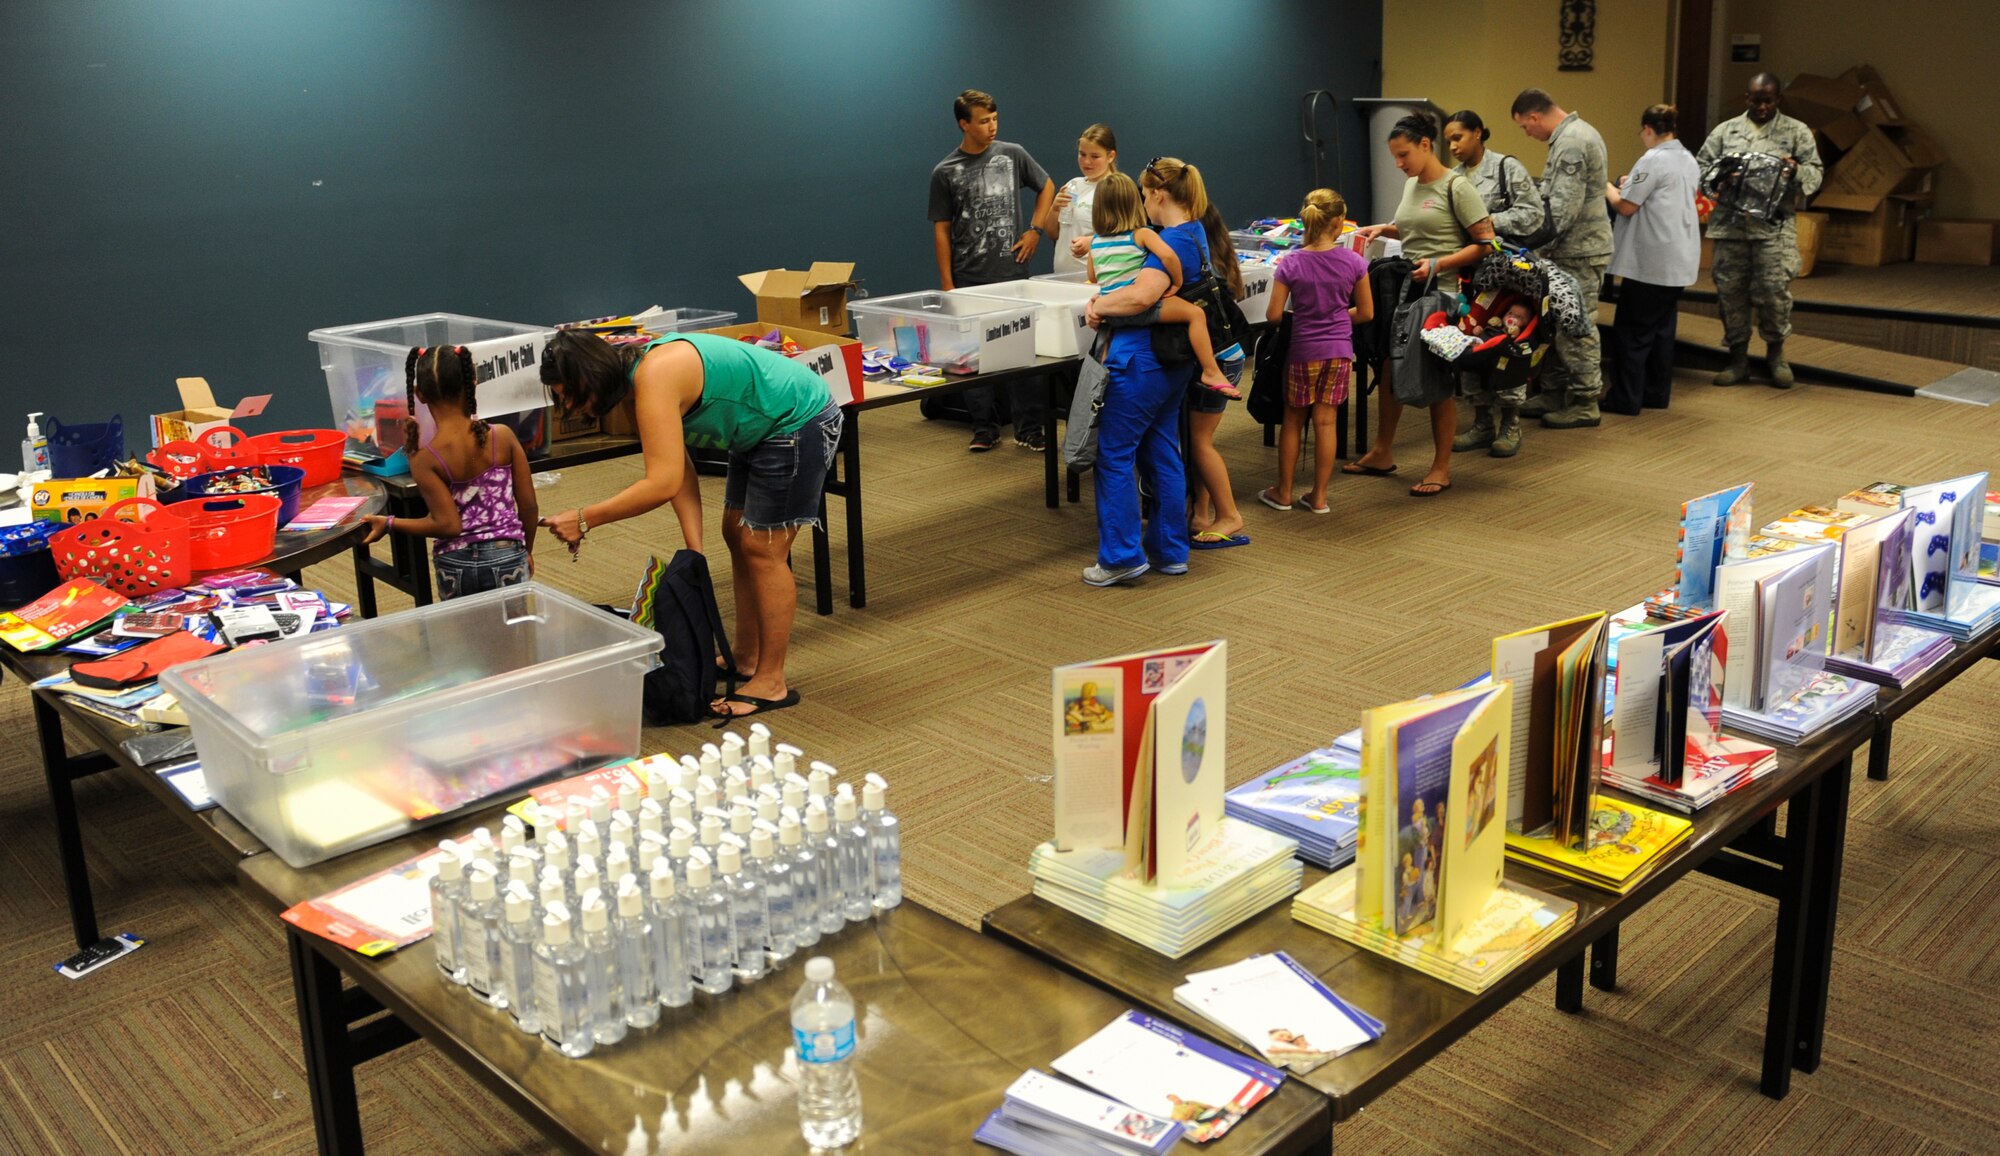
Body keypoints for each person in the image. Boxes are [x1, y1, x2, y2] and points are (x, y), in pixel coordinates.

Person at [537, 329, 842, 719]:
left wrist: (585, 519)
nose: (568, 405)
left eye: (568, 393)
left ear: (591, 375)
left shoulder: (654, 376)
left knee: (763, 550)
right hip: (758, 429)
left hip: (797, 418)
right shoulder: (632, 386)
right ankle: (745, 658)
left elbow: (660, 482)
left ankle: (771, 681)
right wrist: (694, 549)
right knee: (736, 535)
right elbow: (679, 470)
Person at [1078, 157, 1212, 585]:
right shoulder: (1193, 233)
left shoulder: (1167, 239)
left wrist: (1097, 307)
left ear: (1156, 195)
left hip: (1139, 361)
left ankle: (1120, 558)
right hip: (1170, 363)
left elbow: (1140, 298)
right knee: (1161, 450)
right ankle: (1170, 551)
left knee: (1115, 456)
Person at [1350, 113, 1495, 497]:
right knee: (1389, 368)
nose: (1399, 164)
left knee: (1437, 380)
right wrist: (1386, 228)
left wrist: (1439, 263)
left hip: (1441, 294)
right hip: (1407, 289)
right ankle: (1382, 451)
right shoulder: (1414, 184)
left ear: (1425, 145)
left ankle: (1441, 467)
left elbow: (1485, 243)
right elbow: (1420, 226)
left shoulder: (1456, 186)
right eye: (1395, 157)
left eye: (1403, 155)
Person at [928, 89, 1056, 451]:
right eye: (983, 121)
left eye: (994, 119)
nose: (992, 126)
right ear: (963, 124)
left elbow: (1046, 187)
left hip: (1011, 272)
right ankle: (984, 427)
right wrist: (947, 285)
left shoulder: (1012, 154)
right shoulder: (945, 171)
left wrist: (1034, 229)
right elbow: (941, 230)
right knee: (973, 357)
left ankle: (1029, 429)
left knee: (1021, 353)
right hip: (969, 275)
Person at [361, 345, 535, 600]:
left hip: (454, 563)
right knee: (514, 637)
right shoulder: (503, 437)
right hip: (507, 554)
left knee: (462, 639)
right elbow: (529, 506)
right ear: (472, 383)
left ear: (420, 394)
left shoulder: (423, 459)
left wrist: (390, 523)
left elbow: (447, 525)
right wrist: (525, 550)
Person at [1696, 73, 1824, 389]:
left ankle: (1776, 356)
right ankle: (1738, 360)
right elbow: (1700, 168)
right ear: (1746, 98)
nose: (1762, 106)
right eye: (1756, 100)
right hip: (1731, 227)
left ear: (1778, 99)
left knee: (1774, 292)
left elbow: (1816, 173)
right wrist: (1718, 177)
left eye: (1768, 100)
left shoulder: (1796, 132)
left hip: (1773, 228)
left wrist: (1796, 170)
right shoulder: (1726, 131)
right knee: (1730, 293)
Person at [1259, 188, 1372, 516]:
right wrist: (1337, 316)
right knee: (1326, 422)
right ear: (1339, 223)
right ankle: (1319, 496)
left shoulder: (1292, 262)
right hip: (1339, 352)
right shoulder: (1354, 261)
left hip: (1302, 351)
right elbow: (1366, 312)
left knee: (1293, 421)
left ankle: (1284, 493)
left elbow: (1273, 316)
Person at [1445, 109, 1547, 456]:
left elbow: (1533, 214)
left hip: (1510, 280)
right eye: (1448, 141)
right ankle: (1482, 421)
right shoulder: (1454, 178)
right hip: (1473, 276)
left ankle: (1511, 424)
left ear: (1478, 133)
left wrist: (1486, 221)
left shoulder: (1506, 169)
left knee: (1509, 344)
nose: (1453, 146)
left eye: (1458, 137)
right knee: (1473, 345)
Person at [1511, 89, 1614, 429]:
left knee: (1576, 326)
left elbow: (1562, 210)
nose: (1529, 134)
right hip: (1569, 249)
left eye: (1526, 127)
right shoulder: (1574, 134)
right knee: (1553, 324)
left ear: (1535, 117)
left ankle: (1586, 401)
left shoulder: (1571, 141)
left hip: (1579, 250)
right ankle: (1554, 393)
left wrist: (1528, 241)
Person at [1085, 172, 1237, 397]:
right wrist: (1176, 281)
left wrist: (1101, 301)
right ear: (1134, 204)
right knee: (1195, 314)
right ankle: (1211, 370)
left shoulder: (1095, 241)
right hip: (1142, 311)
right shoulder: (1142, 234)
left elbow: (1094, 275)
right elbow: (1168, 257)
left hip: (1112, 315)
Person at [1604, 104, 1702, 414]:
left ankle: (1625, 399)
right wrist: (1629, 181)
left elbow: (1626, 206)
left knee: (1632, 333)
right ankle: (1655, 394)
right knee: (1661, 332)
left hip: (1651, 264)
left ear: (1648, 129)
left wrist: (1605, 186)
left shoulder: (1653, 159)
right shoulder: (1688, 158)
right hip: (1679, 261)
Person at [1185, 204, 1250, 545]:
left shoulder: (1196, 261)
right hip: (1225, 356)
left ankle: (1229, 514)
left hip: (1219, 361)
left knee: (1200, 442)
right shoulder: (1213, 254)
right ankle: (1200, 512)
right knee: (1197, 440)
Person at [1052, 124, 1117, 276]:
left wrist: (1092, 242)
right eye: (1082, 154)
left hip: (1096, 277)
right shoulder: (1073, 184)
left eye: (1095, 156)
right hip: (1061, 275)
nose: (1087, 162)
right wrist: (1054, 209)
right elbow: (1053, 233)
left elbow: (1129, 236)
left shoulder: (1115, 189)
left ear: (1110, 156)